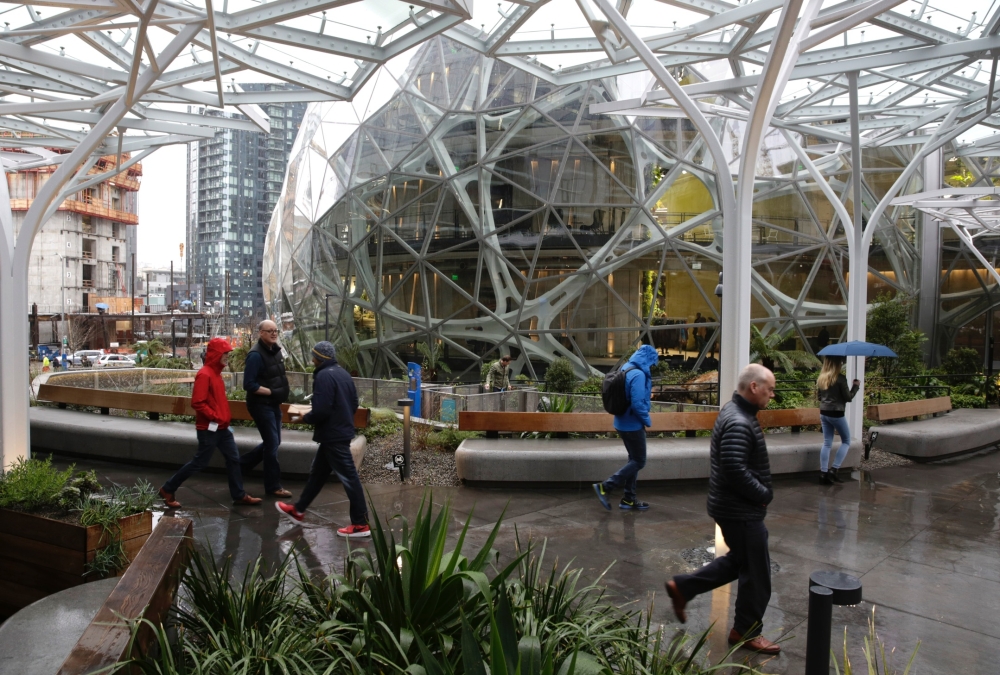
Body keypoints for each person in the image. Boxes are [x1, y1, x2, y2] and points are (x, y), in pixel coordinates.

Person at [664, 364, 780, 655]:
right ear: (754, 387)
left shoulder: (735, 411)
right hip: (741, 511)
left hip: (733, 508)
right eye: (770, 389)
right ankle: (746, 631)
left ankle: (684, 587)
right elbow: (734, 468)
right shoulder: (740, 421)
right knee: (757, 574)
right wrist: (763, 494)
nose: (772, 395)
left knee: (740, 562)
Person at [276, 342, 370, 538]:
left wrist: (305, 417)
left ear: (319, 358)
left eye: (314, 356)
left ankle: (361, 524)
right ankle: (298, 510)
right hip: (339, 432)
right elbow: (353, 404)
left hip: (332, 435)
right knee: (318, 474)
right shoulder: (343, 374)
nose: (312, 360)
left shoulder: (323, 375)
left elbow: (322, 409)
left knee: (349, 478)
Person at [159, 337, 262, 508]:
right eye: (225, 354)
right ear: (216, 354)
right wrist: (216, 417)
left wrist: (221, 419)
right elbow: (197, 402)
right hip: (209, 429)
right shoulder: (205, 374)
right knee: (200, 462)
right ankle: (168, 488)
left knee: (233, 459)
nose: (227, 357)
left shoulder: (215, 374)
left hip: (221, 428)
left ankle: (238, 494)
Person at [593, 344, 659, 511]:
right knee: (639, 460)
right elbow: (637, 404)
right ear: (647, 359)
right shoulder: (638, 374)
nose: (651, 366)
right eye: (652, 362)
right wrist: (647, 420)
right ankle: (606, 486)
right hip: (632, 425)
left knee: (633, 460)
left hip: (621, 422)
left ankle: (629, 499)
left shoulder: (626, 367)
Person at [239, 320, 292, 497]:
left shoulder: (275, 351)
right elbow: (249, 384)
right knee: (271, 445)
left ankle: (239, 466)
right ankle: (273, 486)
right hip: (261, 406)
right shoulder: (255, 355)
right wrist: (271, 392)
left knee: (274, 442)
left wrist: (277, 394)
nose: (274, 334)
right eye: (269, 331)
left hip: (273, 404)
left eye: (276, 331)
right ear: (260, 333)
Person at [816, 356, 859, 485]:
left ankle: (823, 473)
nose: (842, 363)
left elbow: (819, 397)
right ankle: (834, 470)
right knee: (846, 441)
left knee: (827, 443)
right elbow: (848, 397)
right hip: (836, 413)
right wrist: (855, 386)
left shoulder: (821, 378)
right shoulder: (840, 378)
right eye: (840, 362)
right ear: (836, 364)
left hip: (824, 412)